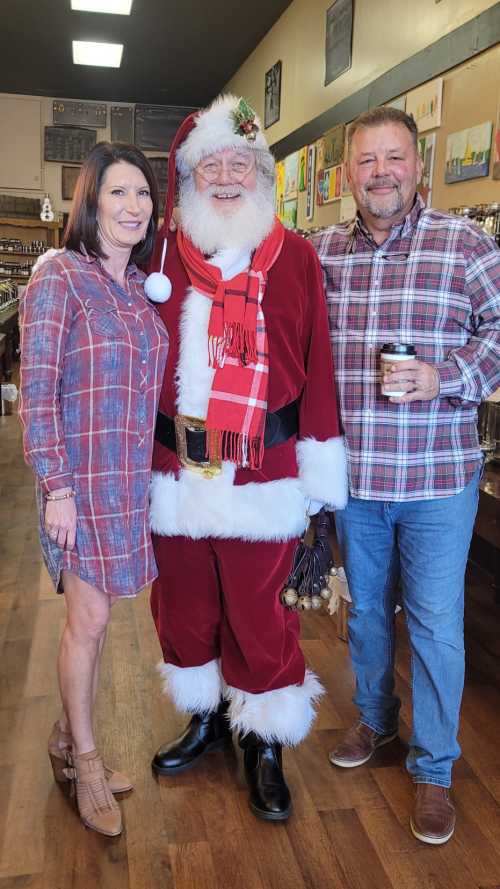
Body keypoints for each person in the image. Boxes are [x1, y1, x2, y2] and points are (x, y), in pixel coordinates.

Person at [146, 94, 347, 821]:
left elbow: (318, 367)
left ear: (260, 176)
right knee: (185, 607)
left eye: (241, 163)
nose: (226, 176)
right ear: (190, 176)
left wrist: (322, 487)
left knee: (264, 617)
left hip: (265, 474)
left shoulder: (295, 258)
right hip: (176, 472)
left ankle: (264, 741)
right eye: (212, 165)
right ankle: (205, 717)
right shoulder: (161, 256)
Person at [311, 106, 500, 845]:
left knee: (434, 625)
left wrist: (444, 376)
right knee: (363, 614)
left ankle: (435, 767)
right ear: (348, 174)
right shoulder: (323, 250)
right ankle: (377, 721)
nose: (381, 172)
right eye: (366, 161)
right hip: (357, 481)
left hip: (436, 480)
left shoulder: (467, 245)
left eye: (394, 157)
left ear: (417, 166)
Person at [19, 142, 169, 837]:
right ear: (91, 201)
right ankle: (83, 758)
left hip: (125, 485)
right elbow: (37, 392)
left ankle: (64, 736)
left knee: (100, 622)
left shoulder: (138, 288)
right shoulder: (61, 277)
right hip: (77, 487)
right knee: (89, 623)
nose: (133, 206)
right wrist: (55, 486)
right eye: (118, 193)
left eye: (143, 194)